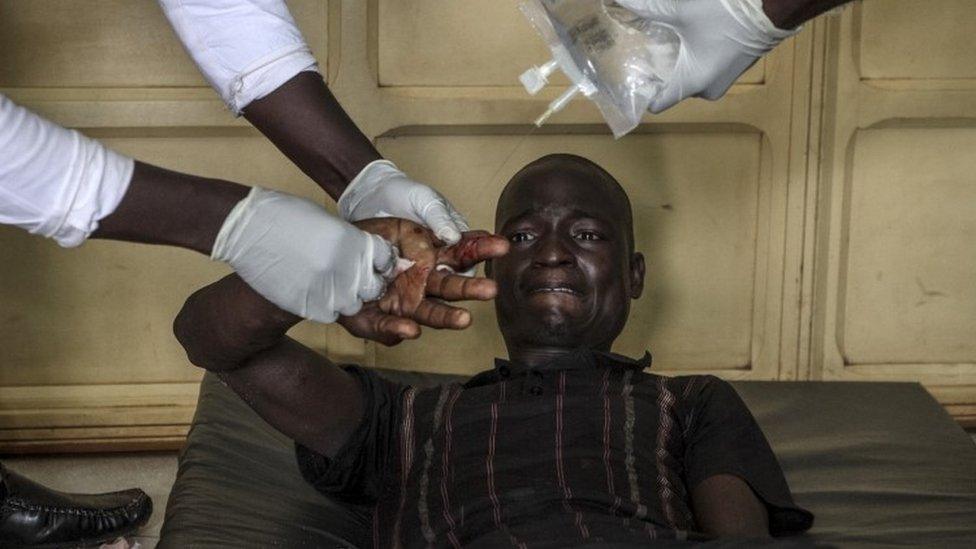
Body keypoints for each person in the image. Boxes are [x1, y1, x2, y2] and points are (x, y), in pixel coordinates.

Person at [173, 154, 815, 547]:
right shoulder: (400, 419)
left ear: (635, 275)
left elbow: (742, 542)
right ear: (492, 269)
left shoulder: (690, 402)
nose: (555, 251)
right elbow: (209, 337)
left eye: (587, 234)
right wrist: (339, 261)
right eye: (525, 235)